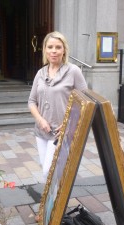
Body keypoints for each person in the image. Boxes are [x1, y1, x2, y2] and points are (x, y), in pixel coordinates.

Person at [28, 31, 88, 181]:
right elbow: (31, 101)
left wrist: (70, 122)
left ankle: (55, 203)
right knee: (47, 170)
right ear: (45, 50)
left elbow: (85, 101)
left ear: (64, 50)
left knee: (50, 170)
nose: (53, 51)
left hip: (62, 133)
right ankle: (54, 203)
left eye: (58, 47)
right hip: (42, 131)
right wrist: (40, 120)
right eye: (50, 47)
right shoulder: (40, 73)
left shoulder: (73, 71)